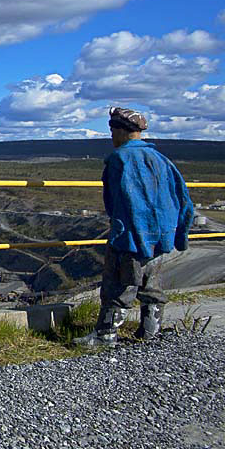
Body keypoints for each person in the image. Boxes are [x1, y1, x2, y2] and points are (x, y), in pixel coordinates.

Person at [75, 107, 195, 348]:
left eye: (112, 130)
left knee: (118, 284)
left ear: (120, 130)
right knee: (151, 282)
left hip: (130, 234)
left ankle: (105, 334)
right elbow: (183, 198)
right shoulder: (162, 160)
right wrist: (180, 234)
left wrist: (124, 233)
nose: (111, 136)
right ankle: (151, 330)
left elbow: (119, 201)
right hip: (160, 235)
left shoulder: (120, 159)